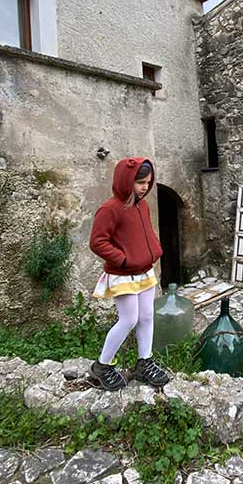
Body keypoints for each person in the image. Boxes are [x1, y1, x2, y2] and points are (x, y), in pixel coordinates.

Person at [88, 157, 170, 391]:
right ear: (126, 181)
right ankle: (102, 366)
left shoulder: (142, 205)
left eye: (148, 182)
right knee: (129, 319)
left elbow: (145, 232)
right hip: (123, 274)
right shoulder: (109, 209)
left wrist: (154, 249)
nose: (145, 187)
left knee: (146, 317)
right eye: (140, 182)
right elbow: (97, 242)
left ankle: (144, 363)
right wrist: (122, 259)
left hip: (144, 272)